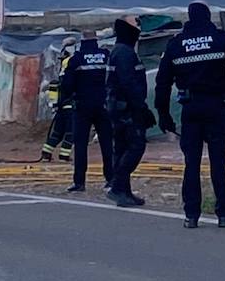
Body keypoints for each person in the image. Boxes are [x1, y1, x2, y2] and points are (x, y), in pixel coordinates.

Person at [155, 1, 225, 229]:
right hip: (217, 106)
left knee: (192, 163)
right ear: (208, 17)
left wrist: (164, 115)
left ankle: (191, 215)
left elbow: (162, 83)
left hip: (190, 109)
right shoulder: (220, 39)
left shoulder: (175, 44)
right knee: (218, 162)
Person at [106, 16, 151, 208]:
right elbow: (129, 84)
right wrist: (141, 108)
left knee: (122, 148)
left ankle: (124, 191)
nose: (139, 27)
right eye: (136, 22)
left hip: (119, 108)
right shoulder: (124, 53)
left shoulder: (120, 51)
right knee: (136, 146)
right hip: (127, 110)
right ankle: (118, 186)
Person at [61, 31, 113, 193]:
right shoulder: (106, 56)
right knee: (107, 143)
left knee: (81, 145)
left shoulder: (76, 59)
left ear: (81, 42)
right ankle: (111, 179)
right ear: (96, 41)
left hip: (82, 106)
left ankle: (79, 182)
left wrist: (65, 99)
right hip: (104, 105)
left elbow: (67, 84)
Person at [38, 40, 76, 163]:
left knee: (57, 132)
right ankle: (64, 156)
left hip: (61, 107)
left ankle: (46, 153)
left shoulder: (61, 75)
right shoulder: (70, 75)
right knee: (70, 132)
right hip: (70, 106)